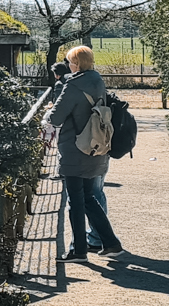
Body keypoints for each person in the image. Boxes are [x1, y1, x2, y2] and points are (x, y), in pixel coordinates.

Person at [46, 45, 124, 261]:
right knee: (89, 197)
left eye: (70, 61)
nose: (69, 65)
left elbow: (56, 118)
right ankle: (111, 242)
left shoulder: (73, 85)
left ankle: (79, 250)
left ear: (76, 64)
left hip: (75, 147)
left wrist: (48, 114)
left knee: (75, 201)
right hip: (95, 145)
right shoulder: (97, 81)